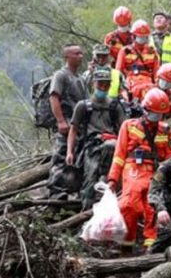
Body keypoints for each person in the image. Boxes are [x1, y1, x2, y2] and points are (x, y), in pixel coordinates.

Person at [107, 88, 171, 250]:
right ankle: (126, 241)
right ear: (145, 109)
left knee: (152, 206)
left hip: (155, 170)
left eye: (160, 115)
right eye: (155, 113)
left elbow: (170, 157)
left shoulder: (165, 130)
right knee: (129, 203)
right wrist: (112, 179)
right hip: (133, 169)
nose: (157, 118)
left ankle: (150, 245)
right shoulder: (129, 126)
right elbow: (119, 155)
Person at [66, 68, 127, 209]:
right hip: (91, 148)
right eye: (100, 84)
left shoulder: (114, 106)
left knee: (114, 179)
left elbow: (124, 129)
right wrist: (70, 152)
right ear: (94, 84)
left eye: (106, 85)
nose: (103, 88)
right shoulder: (83, 106)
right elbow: (73, 130)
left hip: (112, 148)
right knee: (90, 181)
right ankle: (85, 214)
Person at [47, 44, 88, 199]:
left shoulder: (79, 79)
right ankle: (55, 192)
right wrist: (60, 121)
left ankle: (71, 191)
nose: (80, 56)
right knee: (60, 157)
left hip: (78, 126)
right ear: (67, 57)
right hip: (67, 124)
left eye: (81, 53)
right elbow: (54, 97)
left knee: (76, 158)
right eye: (76, 53)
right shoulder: (60, 75)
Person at [116, 19, 160, 103]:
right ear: (133, 36)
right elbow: (118, 73)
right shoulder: (124, 51)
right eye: (139, 36)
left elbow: (157, 73)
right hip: (131, 84)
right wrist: (122, 91)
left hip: (149, 84)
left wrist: (156, 87)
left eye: (144, 36)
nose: (141, 39)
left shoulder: (152, 51)